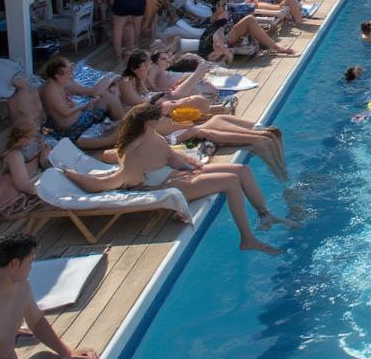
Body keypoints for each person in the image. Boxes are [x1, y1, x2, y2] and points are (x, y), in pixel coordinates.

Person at [60, 104, 292, 254]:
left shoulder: (154, 136)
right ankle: (247, 239)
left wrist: (191, 165)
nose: (165, 118)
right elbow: (122, 182)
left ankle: (265, 215)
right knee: (230, 182)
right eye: (160, 117)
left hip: (177, 174)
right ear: (149, 123)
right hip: (166, 184)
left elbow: (171, 156)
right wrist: (72, 175)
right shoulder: (133, 151)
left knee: (242, 170)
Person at [0, 233, 99, 359]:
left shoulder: (22, 288)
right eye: (30, 261)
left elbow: (38, 323)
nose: (32, 267)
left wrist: (68, 353)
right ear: (15, 263)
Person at [40, 57, 124, 141]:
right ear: (57, 75)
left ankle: (119, 121)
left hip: (75, 119)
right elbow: (65, 112)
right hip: (71, 128)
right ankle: (122, 121)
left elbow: (89, 92)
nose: (70, 74)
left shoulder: (59, 82)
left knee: (107, 93)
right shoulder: (50, 90)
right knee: (106, 97)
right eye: (67, 72)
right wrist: (84, 106)